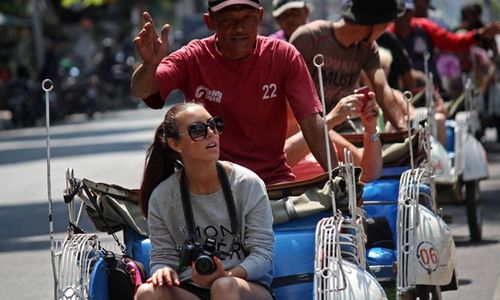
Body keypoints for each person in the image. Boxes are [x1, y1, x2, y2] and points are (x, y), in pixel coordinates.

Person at [131, 0, 338, 185]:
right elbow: (142, 90)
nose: (239, 28)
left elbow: (312, 121)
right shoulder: (192, 56)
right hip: (211, 184)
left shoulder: (283, 55)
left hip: (272, 181)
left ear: (260, 17)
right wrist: (150, 65)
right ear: (210, 21)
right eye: (229, 19)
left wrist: (338, 177)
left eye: (247, 18)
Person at [135, 103, 274, 300]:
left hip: (243, 285)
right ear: (175, 144)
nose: (211, 133)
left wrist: (228, 275)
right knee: (146, 293)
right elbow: (163, 258)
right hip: (190, 289)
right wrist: (163, 271)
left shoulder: (247, 184)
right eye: (198, 130)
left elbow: (263, 255)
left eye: (214, 125)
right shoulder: (162, 197)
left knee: (223, 287)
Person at [289, 0, 407, 132]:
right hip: (306, 130)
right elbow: (287, 100)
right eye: (386, 23)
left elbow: (382, 89)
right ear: (374, 23)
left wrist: (403, 130)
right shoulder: (309, 38)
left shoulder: (367, 48)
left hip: (341, 127)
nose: (386, 28)